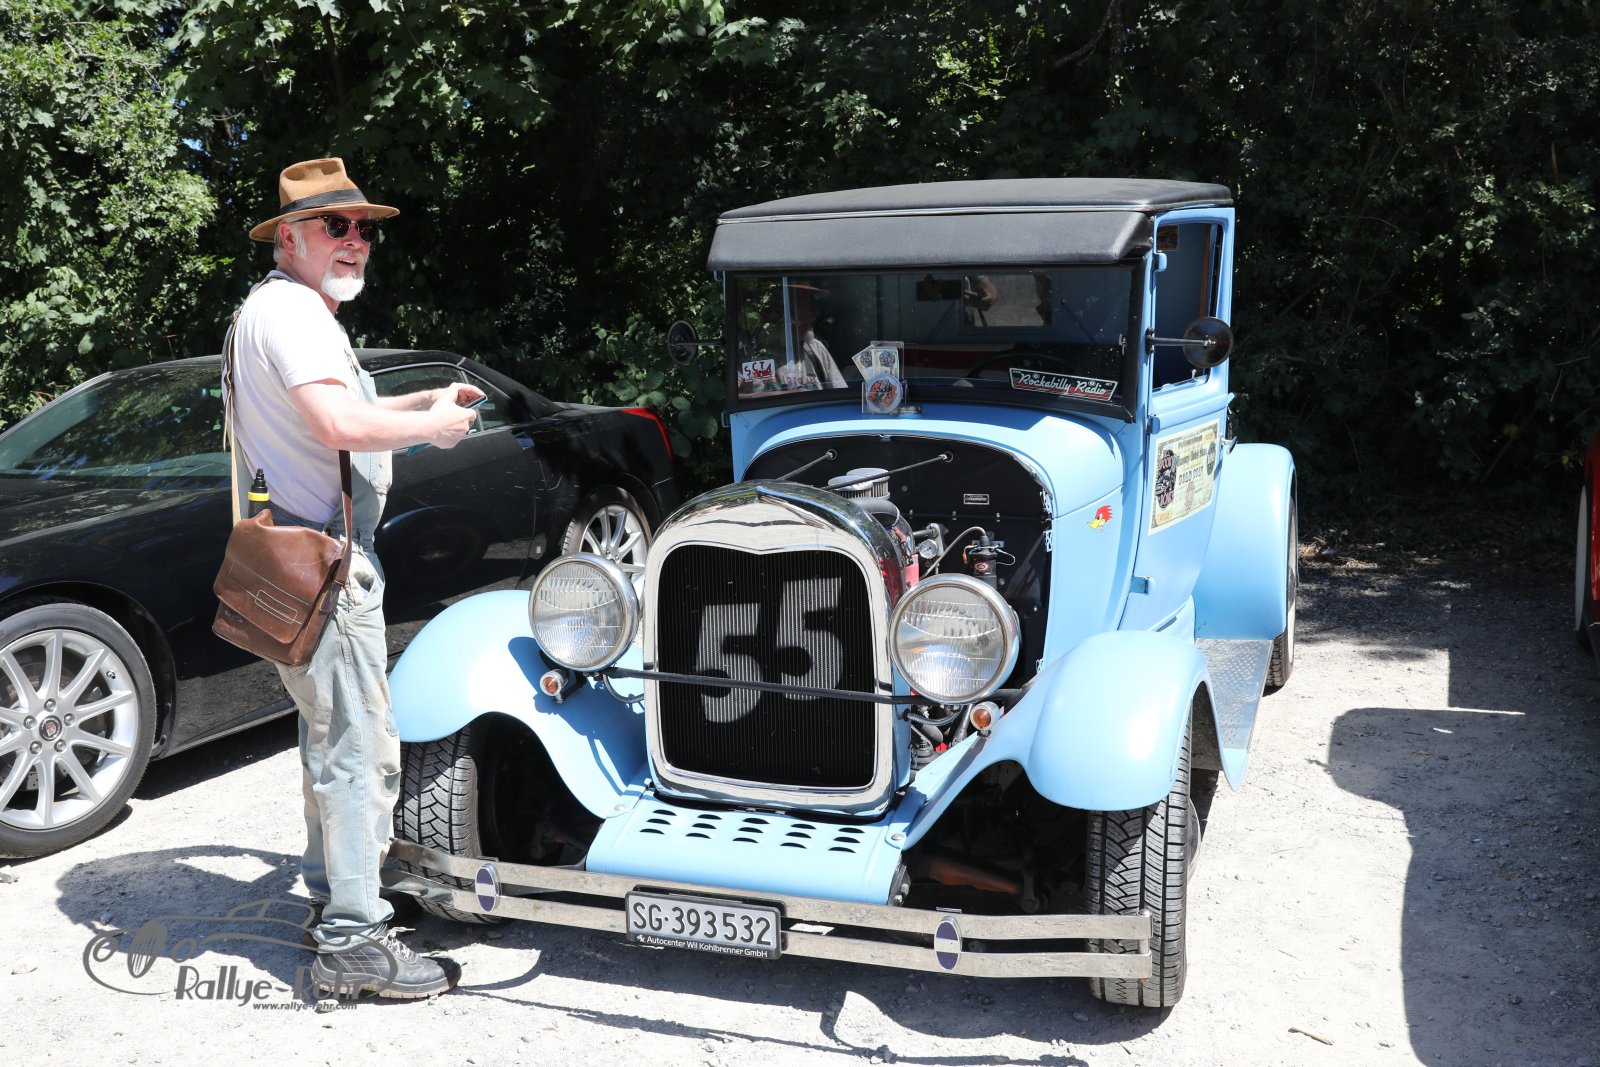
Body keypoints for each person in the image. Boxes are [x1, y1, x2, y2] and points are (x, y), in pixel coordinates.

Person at [224, 157, 480, 999]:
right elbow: (336, 422)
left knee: (326, 743)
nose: (356, 240)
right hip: (328, 570)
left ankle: (331, 897)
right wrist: (432, 429)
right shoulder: (296, 313)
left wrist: (419, 402)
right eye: (336, 226)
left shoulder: (270, 309)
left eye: (363, 227)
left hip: (298, 562)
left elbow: (332, 420)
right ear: (289, 237)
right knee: (359, 753)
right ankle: (354, 943)